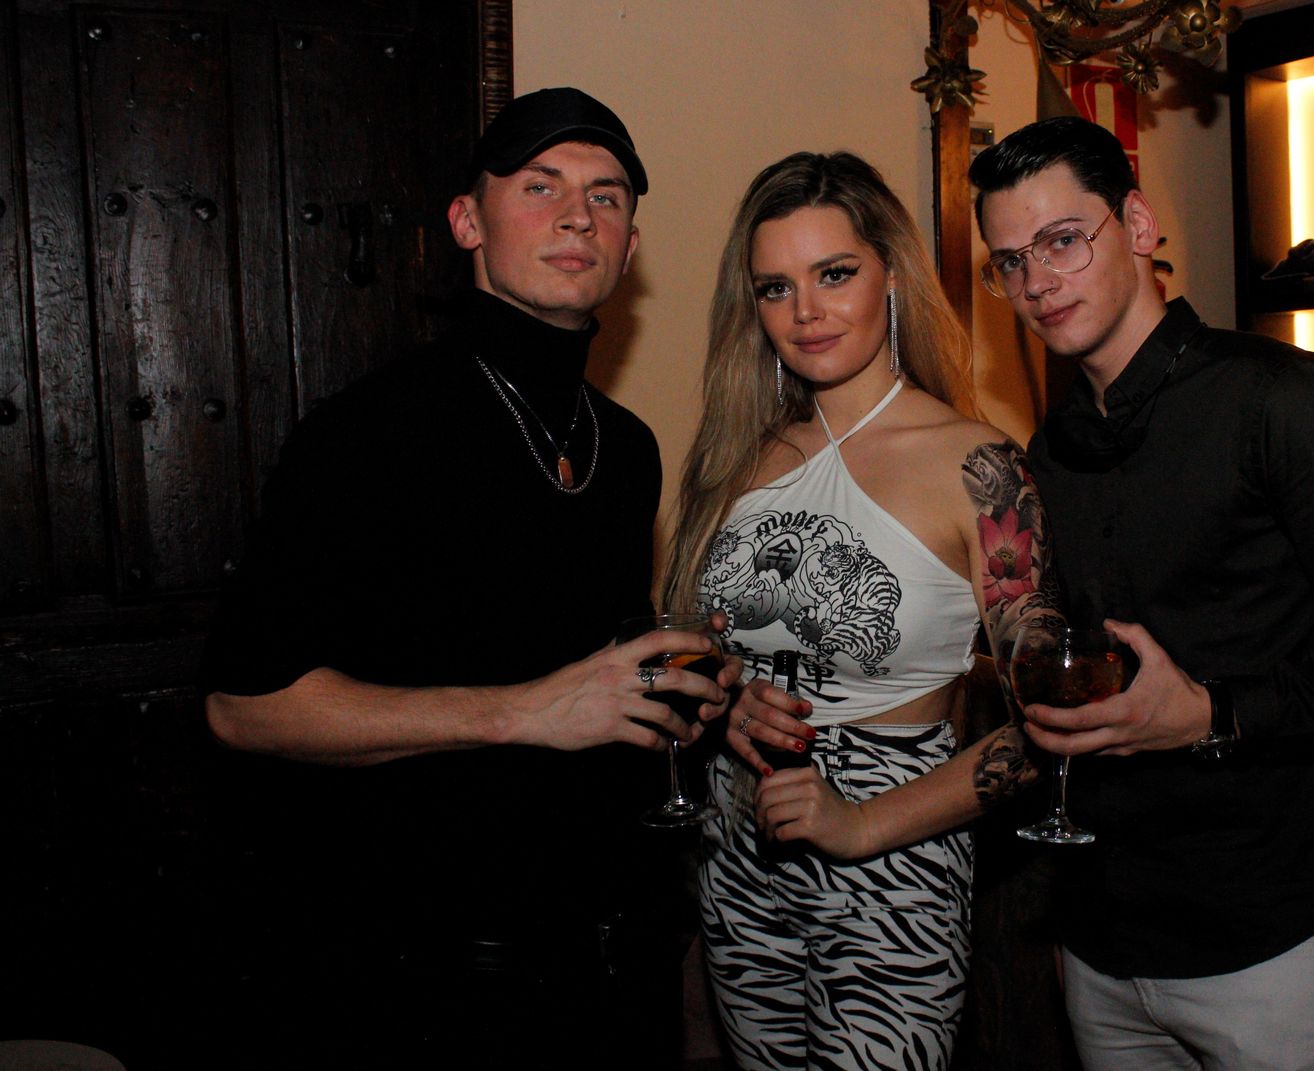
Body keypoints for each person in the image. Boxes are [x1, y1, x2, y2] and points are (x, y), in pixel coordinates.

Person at [201, 87, 738, 1069]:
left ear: (628, 246)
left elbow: (593, 672)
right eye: (540, 186)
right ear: (467, 221)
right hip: (427, 976)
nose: (578, 215)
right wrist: (521, 710)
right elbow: (245, 708)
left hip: (611, 958)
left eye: (606, 196)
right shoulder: (367, 434)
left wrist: (680, 707)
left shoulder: (627, 447)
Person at [968, 115, 1314, 1071]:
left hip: (1274, 940)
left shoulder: (1285, 399)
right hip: (1105, 941)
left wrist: (1211, 712)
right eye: (1010, 262)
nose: (1037, 283)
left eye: (1062, 240)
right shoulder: (1054, 448)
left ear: (1138, 225)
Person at [660, 151, 1057, 1071]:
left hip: (896, 856)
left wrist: (863, 824)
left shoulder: (979, 466)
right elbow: (696, 660)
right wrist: (729, 705)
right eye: (776, 287)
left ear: (891, 276)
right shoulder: (735, 457)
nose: (806, 311)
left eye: (834, 273)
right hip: (739, 847)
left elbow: (1051, 726)